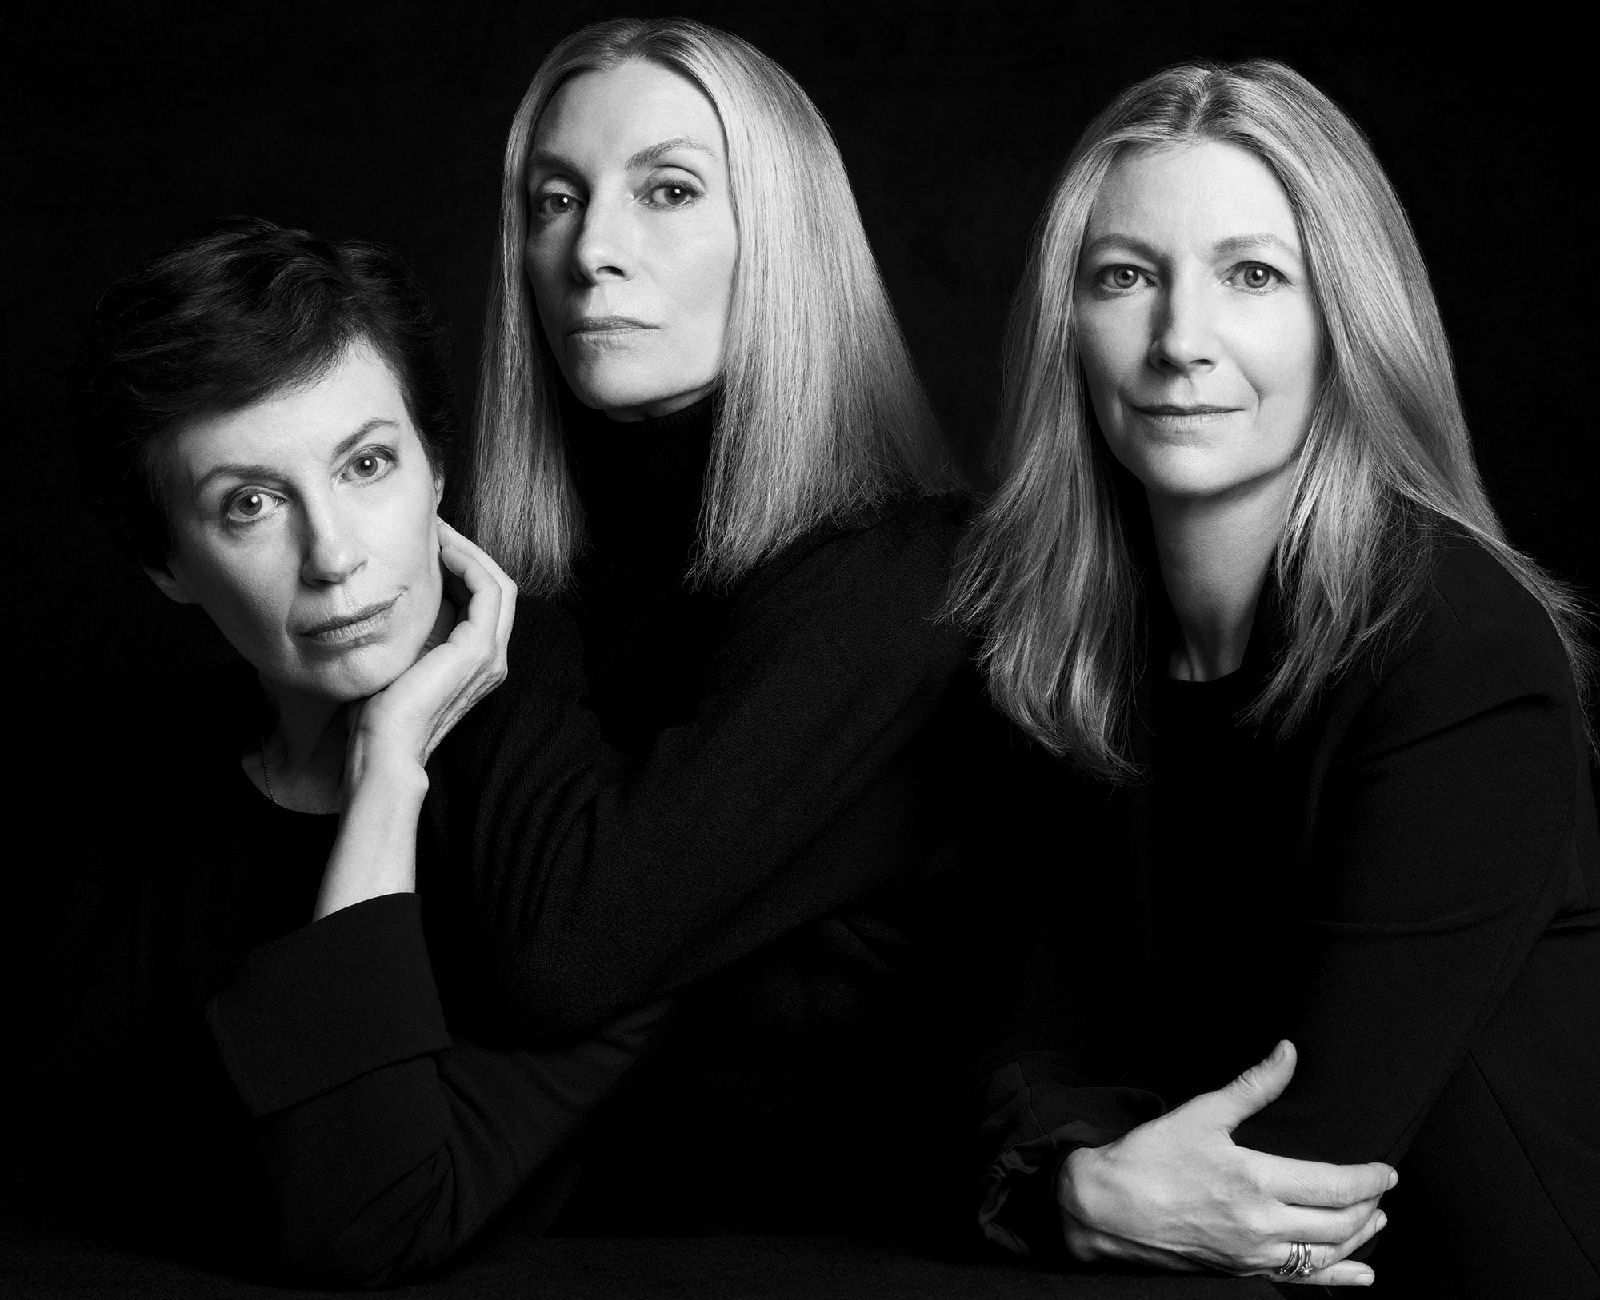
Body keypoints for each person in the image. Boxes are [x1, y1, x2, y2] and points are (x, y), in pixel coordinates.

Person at [957, 60, 1600, 1294]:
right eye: (1124, 277)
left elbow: (1298, 1178)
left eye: (1251, 276)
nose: (1178, 342)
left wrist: (1070, 1182)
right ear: (1065, 329)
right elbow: (1006, 1056)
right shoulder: (1074, 651)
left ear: (1345, 323)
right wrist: (1076, 1190)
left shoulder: (1461, 657)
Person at [28, 217, 666, 1286]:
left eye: (367, 464)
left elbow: (365, 1220)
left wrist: (387, 776)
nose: (332, 555)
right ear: (166, 562)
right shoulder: (125, 787)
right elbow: (70, 1164)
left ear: (437, 470)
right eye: (250, 503)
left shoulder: (575, 819)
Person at [434, 17, 985, 1232]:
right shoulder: (541, 563)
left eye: (668, 190)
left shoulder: (895, 576)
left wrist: (506, 605)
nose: (591, 252)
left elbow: (551, 958)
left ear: (783, 244)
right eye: (553, 200)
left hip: (806, 1255)